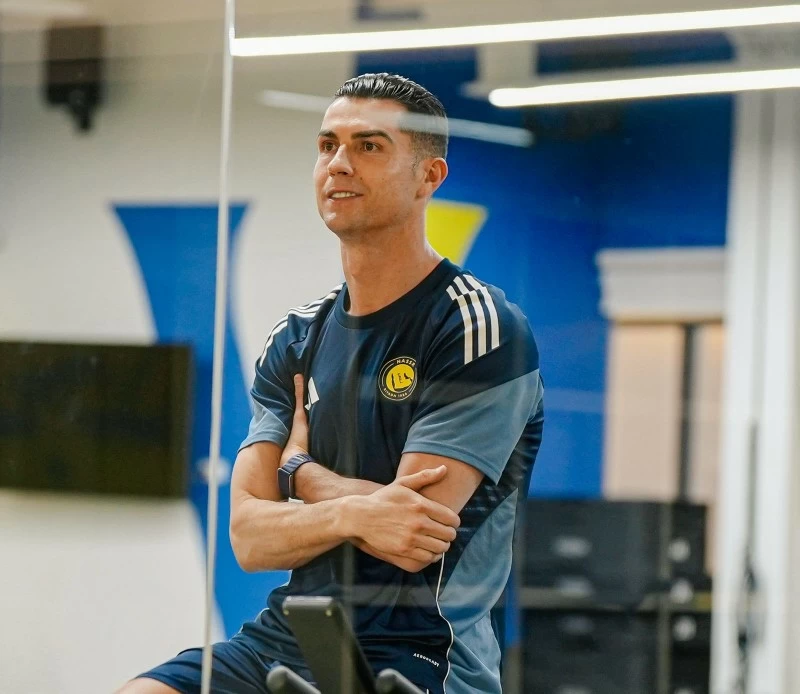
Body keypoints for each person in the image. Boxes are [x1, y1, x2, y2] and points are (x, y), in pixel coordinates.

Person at [119, 72, 544, 694]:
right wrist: (351, 510)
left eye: (369, 146)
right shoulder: (295, 339)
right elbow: (249, 537)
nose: (339, 164)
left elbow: (412, 532)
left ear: (429, 177)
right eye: (328, 145)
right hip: (291, 633)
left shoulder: (476, 326)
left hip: (421, 652)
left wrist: (299, 474)